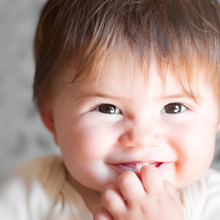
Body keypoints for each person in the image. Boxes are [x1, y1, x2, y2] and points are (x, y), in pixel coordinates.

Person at [1, 0, 220, 219]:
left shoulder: (211, 201)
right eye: (108, 108)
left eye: (174, 108)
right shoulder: (29, 192)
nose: (141, 138)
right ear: (50, 118)